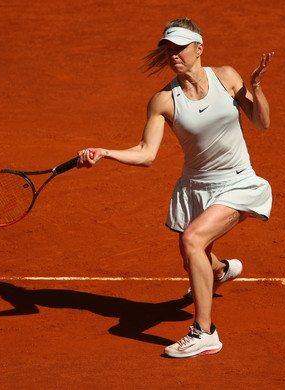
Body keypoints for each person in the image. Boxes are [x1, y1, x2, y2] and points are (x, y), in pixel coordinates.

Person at [77, 17, 274, 358]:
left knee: (192, 240)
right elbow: (146, 154)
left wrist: (255, 88)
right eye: (168, 49)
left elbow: (262, 121)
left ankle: (205, 332)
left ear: (199, 48)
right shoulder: (163, 101)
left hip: (239, 182)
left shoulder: (226, 77)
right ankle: (221, 271)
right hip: (196, 189)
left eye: (180, 48)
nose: (173, 55)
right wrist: (105, 153)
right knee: (194, 257)